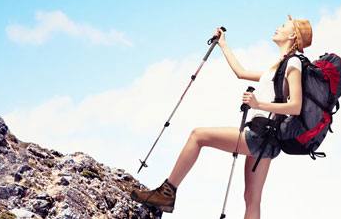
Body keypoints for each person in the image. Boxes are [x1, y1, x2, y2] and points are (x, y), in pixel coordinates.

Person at [130, 15, 313, 218]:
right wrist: (223, 44)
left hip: (260, 136)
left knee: (198, 136)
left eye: (283, 26)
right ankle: (166, 194)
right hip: (268, 140)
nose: (278, 27)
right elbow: (240, 72)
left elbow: (295, 106)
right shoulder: (278, 67)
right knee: (252, 200)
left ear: (293, 34)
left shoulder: (293, 63)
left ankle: (166, 193)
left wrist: (257, 104)